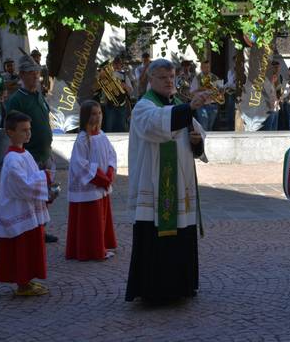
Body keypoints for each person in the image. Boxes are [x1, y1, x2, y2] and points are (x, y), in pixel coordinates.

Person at [125, 58, 209, 302]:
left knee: (181, 233)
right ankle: (156, 291)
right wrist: (188, 108)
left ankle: (181, 287)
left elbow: (196, 133)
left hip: (179, 187)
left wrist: (196, 141)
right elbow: (156, 125)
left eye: (171, 77)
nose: (169, 81)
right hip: (154, 186)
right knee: (156, 238)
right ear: (150, 80)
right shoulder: (143, 107)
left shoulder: (179, 105)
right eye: (163, 77)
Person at [0, 110, 54, 296]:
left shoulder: (25, 154)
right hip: (17, 210)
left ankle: (27, 281)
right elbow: (22, 185)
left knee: (30, 247)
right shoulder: (12, 159)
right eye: (23, 130)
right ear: (10, 132)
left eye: (29, 129)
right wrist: (45, 177)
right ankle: (22, 284)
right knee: (21, 248)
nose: (28, 133)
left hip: (27, 208)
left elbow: (30, 178)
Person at [6, 54, 58, 244]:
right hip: (30, 156)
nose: (36, 76)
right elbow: (12, 128)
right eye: (31, 73)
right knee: (32, 196)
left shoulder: (39, 95)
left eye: (37, 73)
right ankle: (33, 231)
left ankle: (41, 229)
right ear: (22, 74)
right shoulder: (17, 100)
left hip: (46, 152)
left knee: (47, 195)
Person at [66, 100, 118, 261]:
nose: (97, 117)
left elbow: (111, 155)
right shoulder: (82, 139)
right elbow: (79, 164)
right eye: (93, 114)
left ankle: (101, 245)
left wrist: (110, 171)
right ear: (86, 117)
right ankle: (91, 250)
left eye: (99, 113)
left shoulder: (102, 135)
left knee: (101, 218)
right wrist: (100, 178)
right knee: (90, 221)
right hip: (90, 186)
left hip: (101, 183)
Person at [103, 56, 133, 132]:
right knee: (109, 127)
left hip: (122, 105)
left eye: (118, 63)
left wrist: (125, 86)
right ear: (112, 65)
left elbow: (130, 91)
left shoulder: (124, 75)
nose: (116, 65)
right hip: (110, 104)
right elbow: (103, 90)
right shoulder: (107, 75)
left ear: (121, 65)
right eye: (114, 63)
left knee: (121, 127)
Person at [190, 59, 221, 131]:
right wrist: (201, 89)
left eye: (208, 67)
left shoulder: (214, 77)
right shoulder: (197, 78)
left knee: (210, 127)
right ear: (201, 68)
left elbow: (219, 92)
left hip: (212, 104)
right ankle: (204, 141)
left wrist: (219, 91)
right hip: (201, 105)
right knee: (204, 126)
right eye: (205, 67)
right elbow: (191, 92)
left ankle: (207, 141)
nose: (207, 69)